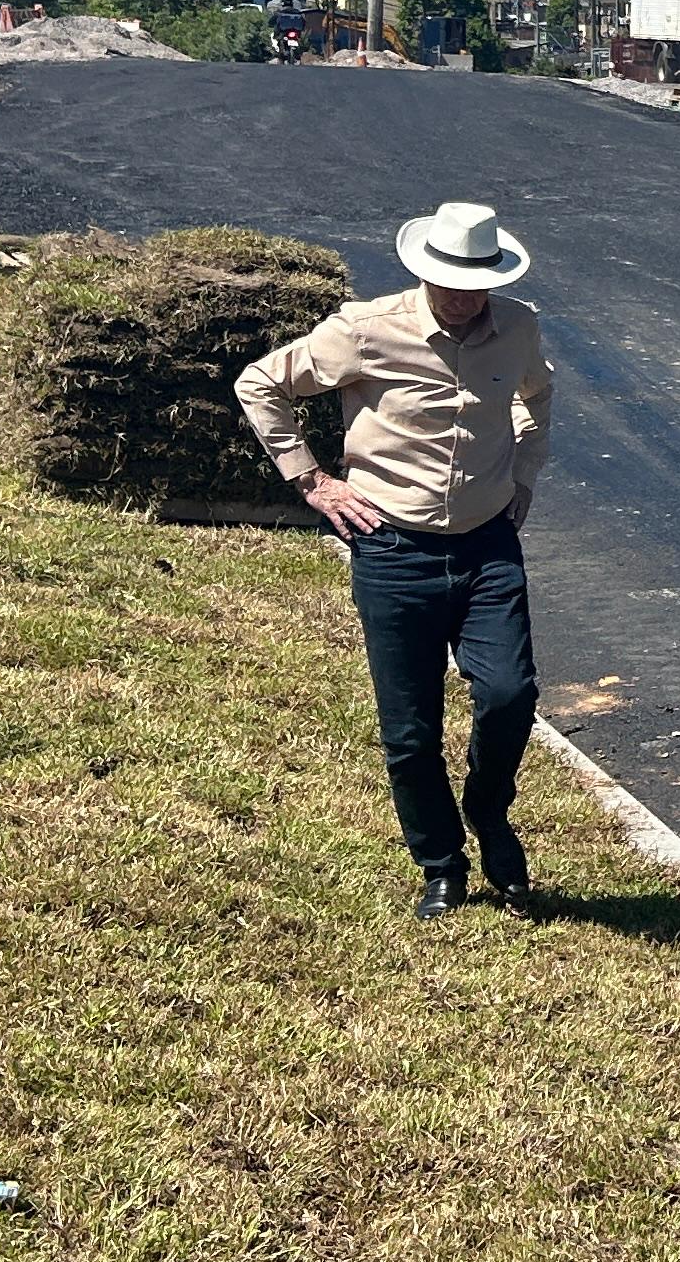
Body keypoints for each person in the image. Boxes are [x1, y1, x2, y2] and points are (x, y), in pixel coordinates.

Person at [236, 198, 556, 919]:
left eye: (476, 283)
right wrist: (313, 482)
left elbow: (538, 396)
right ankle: (440, 864)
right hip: (393, 548)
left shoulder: (519, 328)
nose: (463, 297)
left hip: (486, 544)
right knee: (410, 731)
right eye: (449, 282)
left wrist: (525, 475)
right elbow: (261, 384)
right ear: (424, 273)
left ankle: (487, 808)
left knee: (511, 693)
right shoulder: (365, 330)